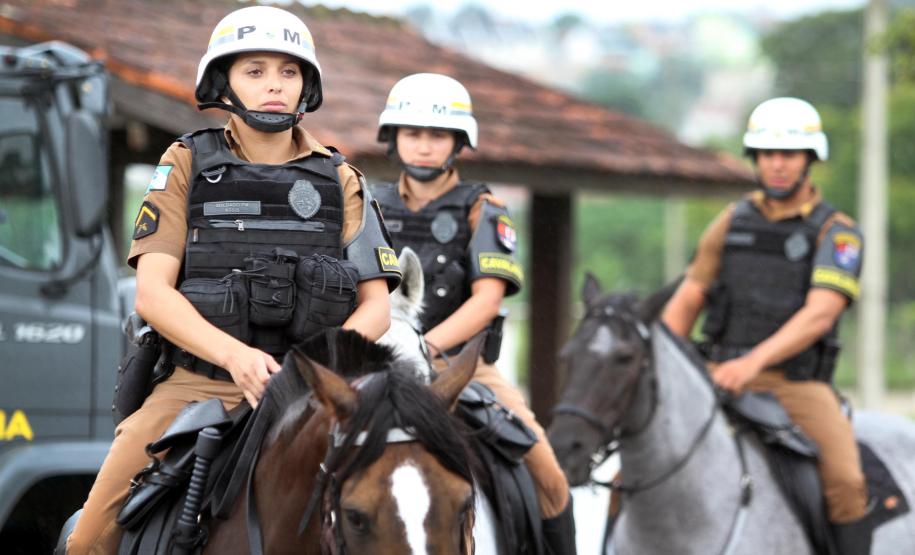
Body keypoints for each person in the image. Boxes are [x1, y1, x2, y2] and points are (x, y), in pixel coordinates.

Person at [66, 6, 399, 553]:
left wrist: (312, 372)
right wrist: (236, 358)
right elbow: (153, 294)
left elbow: (376, 309)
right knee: (87, 543)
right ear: (224, 82)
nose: (274, 85)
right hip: (201, 383)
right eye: (256, 70)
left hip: (315, 390)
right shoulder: (185, 163)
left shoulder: (342, 178)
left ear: (306, 86)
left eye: (289, 72)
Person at [370, 72, 576, 554]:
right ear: (394, 138)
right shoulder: (364, 202)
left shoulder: (485, 209)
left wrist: (423, 349)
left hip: (462, 368)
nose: (424, 146)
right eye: (413, 134)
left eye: (437, 135)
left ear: (458, 143)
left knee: (549, 474)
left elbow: (487, 300)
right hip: (373, 367)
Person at [661, 97, 871, 555]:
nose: (777, 165)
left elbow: (821, 312)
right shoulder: (730, 221)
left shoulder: (837, 232)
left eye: (788, 155)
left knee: (847, 481)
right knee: (634, 467)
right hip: (716, 374)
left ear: (808, 159)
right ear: (755, 158)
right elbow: (691, 295)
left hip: (793, 385)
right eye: (767, 154)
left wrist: (751, 363)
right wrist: (661, 360)